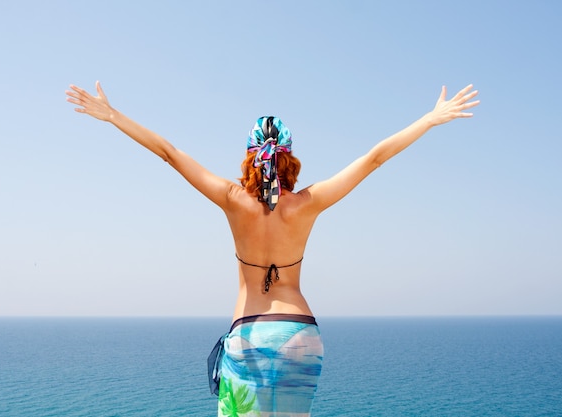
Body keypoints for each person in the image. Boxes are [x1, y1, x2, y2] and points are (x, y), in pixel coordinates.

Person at [66, 82, 479, 417]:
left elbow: (169, 154)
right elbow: (372, 160)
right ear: (289, 157)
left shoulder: (232, 199)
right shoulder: (308, 203)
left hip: (250, 334)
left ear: (250, 156)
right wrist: (429, 118)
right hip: (301, 335)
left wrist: (113, 115)